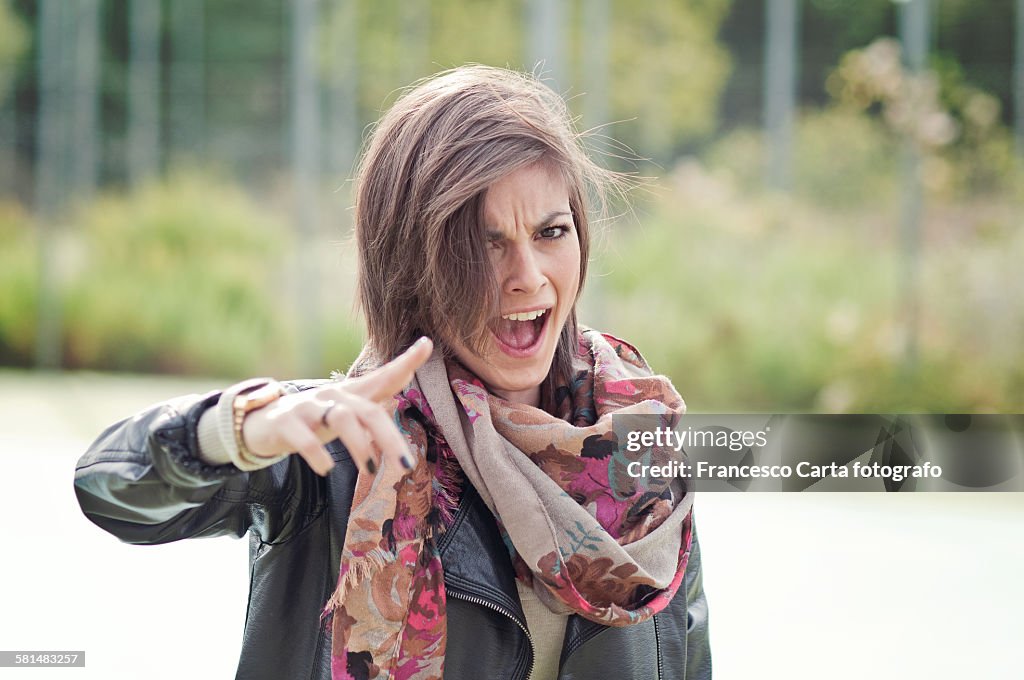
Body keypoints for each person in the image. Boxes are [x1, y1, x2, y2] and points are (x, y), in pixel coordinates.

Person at [75, 65, 711, 680]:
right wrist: (237, 432)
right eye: (486, 243)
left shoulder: (640, 444)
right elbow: (111, 487)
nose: (527, 275)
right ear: (413, 263)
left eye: (551, 231)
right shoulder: (336, 445)